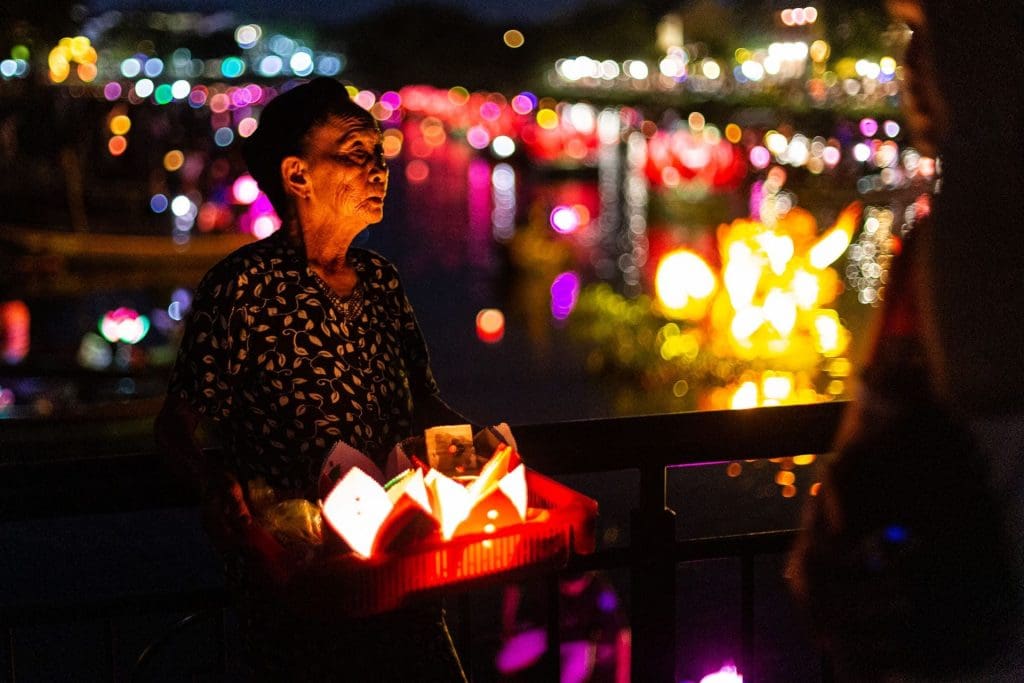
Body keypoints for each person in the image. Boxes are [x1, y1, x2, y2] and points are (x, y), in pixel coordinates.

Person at [155, 77, 475, 681]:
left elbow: (423, 399)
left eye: (379, 153)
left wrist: (476, 452)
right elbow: (178, 425)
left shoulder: (381, 282)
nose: (378, 169)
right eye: (356, 153)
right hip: (301, 592)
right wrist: (213, 480)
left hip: (400, 571)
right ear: (298, 175)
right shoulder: (241, 289)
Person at [788, 1, 1024, 679]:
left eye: (943, 31)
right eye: (913, 35)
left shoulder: (970, 234)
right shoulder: (927, 242)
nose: (914, 63)